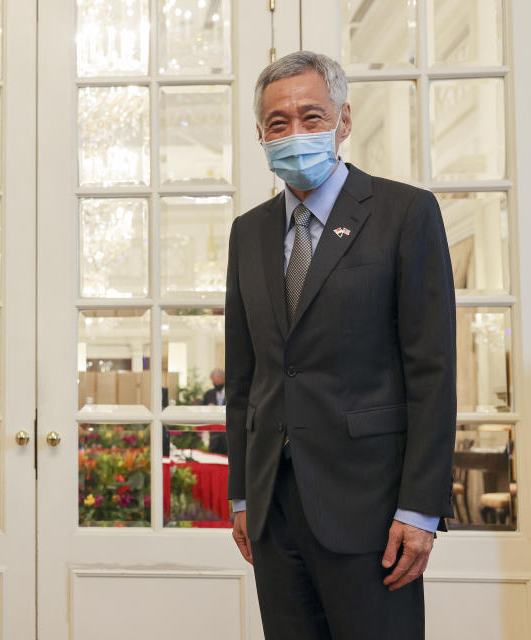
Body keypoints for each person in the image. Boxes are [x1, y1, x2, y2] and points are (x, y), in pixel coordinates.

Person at [225, 52, 456, 639]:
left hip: (373, 512)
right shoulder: (247, 232)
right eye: (279, 123)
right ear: (260, 134)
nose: (295, 133)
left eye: (311, 116)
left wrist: (420, 509)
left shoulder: (405, 213)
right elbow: (244, 377)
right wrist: (241, 495)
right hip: (274, 510)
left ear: (343, 120)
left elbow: (431, 372)